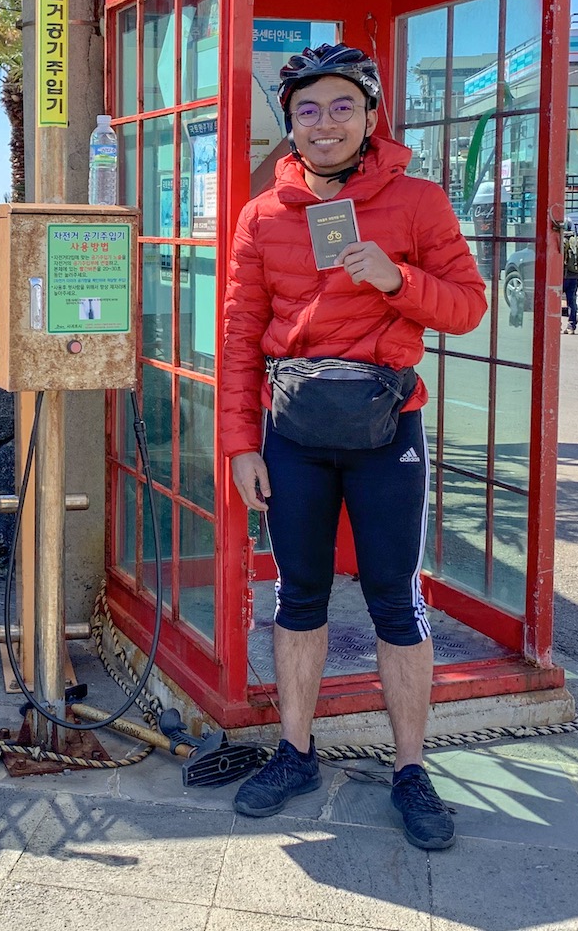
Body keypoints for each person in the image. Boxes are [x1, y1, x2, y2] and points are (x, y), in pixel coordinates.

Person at [220, 44, 487, 852]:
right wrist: (239, 443)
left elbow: (469, 307)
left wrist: (395, 278)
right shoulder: (262, 215)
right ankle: (295, 751)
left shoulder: (418, 202)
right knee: (296, 597)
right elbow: (237, 337)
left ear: (371, 116)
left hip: (386, 430)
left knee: (394, 601)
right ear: (290, 124)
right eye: (308, 109)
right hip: (293, 432)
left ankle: (411, 767)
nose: (325, 123)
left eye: (342, 107)